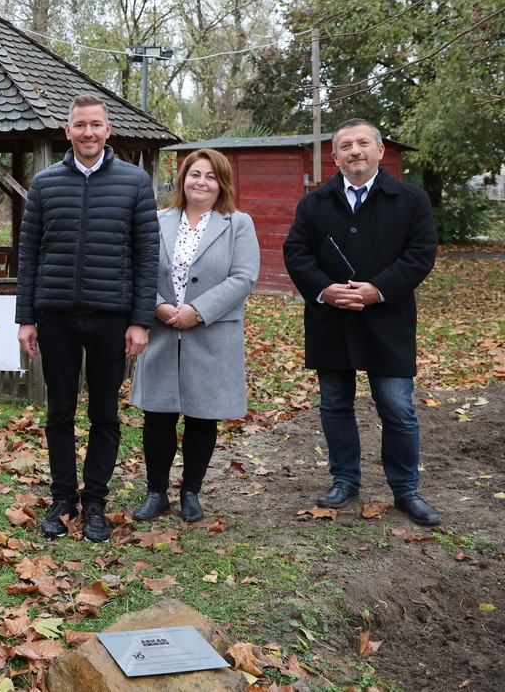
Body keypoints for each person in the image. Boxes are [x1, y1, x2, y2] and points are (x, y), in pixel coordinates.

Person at [16, 93, 159, 543]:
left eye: (96, 124)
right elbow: (28, 254)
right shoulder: (45, 184)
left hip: (110, 317)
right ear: (68, 131)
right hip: (55, 316)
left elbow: (146, 255)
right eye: (80, 125)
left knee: (104, 414)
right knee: (59, 412)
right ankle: (63, 499)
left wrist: (140, 320)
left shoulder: (135, 182)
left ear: (108, 130)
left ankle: (95, 501)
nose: (88, 132)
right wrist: (26, 317)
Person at [283, 118, 440, 526]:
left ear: (379, 150)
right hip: (331, 319)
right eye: (346, 145)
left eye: (363, 143)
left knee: (398, 408)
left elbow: (420, 254)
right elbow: (297, 252)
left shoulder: (411, 199)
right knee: (335, 405)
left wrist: (378, 289)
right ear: (335, 156)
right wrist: (324, 289)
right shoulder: (314, 203)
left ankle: (406, 490)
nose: (355, 151)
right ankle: (345, 480)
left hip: (388, 320)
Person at [130, 149, 259, 523]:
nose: (201, 182)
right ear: (182, 179)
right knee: (158, 415)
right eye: (195, 174)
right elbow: (137, 269)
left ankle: (191, 493)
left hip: (212, 332)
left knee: (203, 417)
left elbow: (243, 277)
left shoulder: (237, 224)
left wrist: (198, 311)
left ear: (222, 184)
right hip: (162, 330)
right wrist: (157, 306)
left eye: (211, 176)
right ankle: (156, 493)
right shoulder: (157, 221)